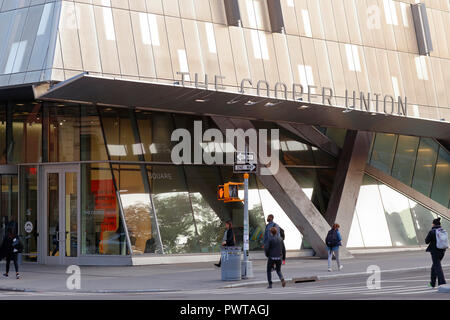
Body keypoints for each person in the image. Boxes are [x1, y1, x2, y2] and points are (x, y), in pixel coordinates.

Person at [425, 217, 447, 288]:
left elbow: (426, 241)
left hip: (435, 252)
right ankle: (432, 284)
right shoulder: (443, 231)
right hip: (442, 251)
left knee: (437, 267)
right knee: (434, 267)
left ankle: (442, 283)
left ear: (433, 224)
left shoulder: (432, 231)